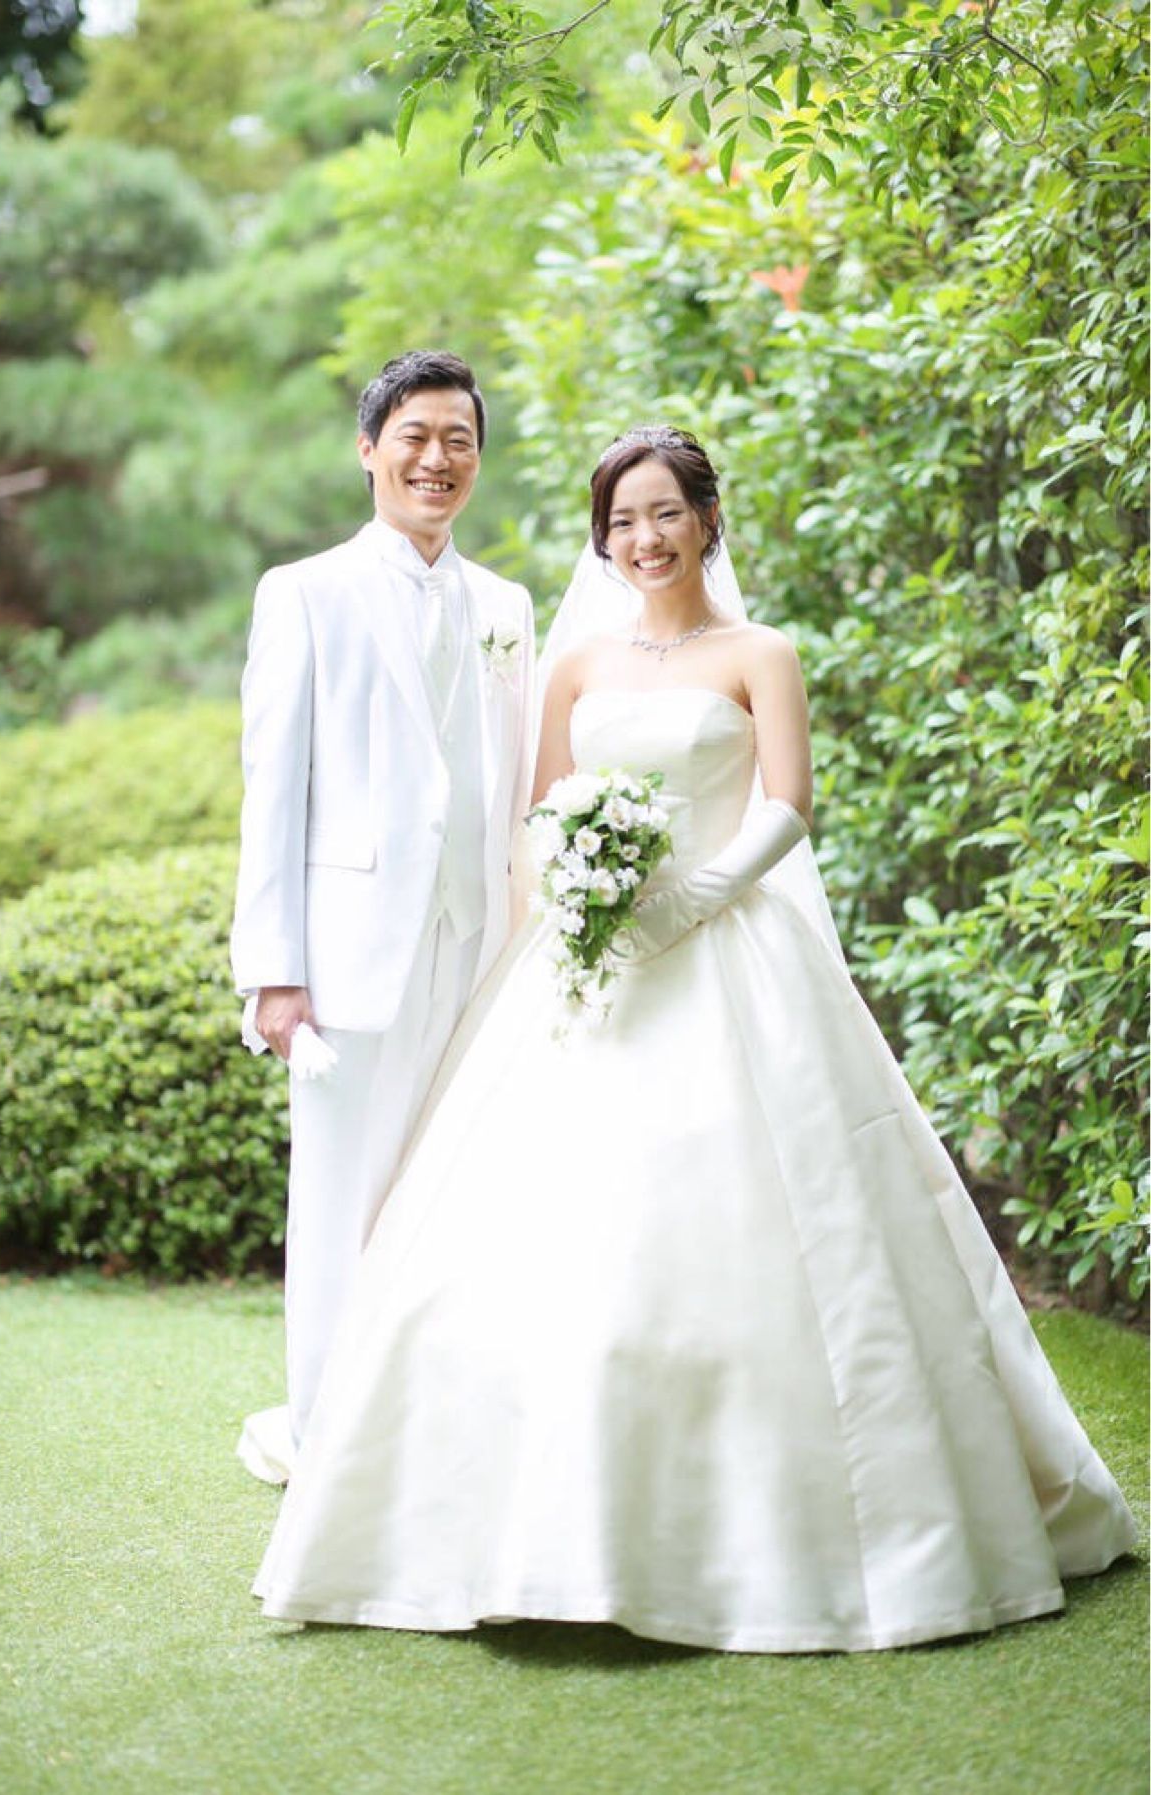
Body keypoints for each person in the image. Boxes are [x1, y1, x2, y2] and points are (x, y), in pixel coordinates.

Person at [251, 425, 1135, 1652]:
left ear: (707, 520)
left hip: (732, 949)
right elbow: (543, 810)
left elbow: (789, 799)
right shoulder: (574, 663)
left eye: (664, 512)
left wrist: (696, 896)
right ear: (601, 541)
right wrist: (583, 894)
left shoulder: (759, 652)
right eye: (620, 521)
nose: (643, 538)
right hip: (589, 963)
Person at [229, 350, 535, 1483]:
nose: (436, 459)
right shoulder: (303, 591)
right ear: (369, 450)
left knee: (453, 1194)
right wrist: (273, 971)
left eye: (459, 439)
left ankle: (431, 1426)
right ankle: (327, 1438)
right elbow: (273, 787)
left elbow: (512, 784)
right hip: (348, 956)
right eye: (414, 436)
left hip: (477, 943)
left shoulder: (506, 606)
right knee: (338, 1198)